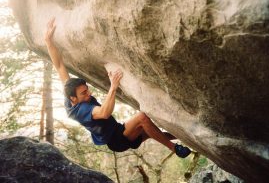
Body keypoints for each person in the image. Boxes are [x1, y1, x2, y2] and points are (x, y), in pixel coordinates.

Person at [44, 17, 191, 158]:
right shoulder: (81, 110)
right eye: (84, 93)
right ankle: (175, 149)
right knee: (142, 118)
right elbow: (104, 112)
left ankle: (187, 139)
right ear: (73, 99)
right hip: (117, 140)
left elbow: (59, 66)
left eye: (87, 89)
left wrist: (48, 42)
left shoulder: (69, 92)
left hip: (119, 131)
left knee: (154, 132)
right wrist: (113, 86)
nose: (89, 93)